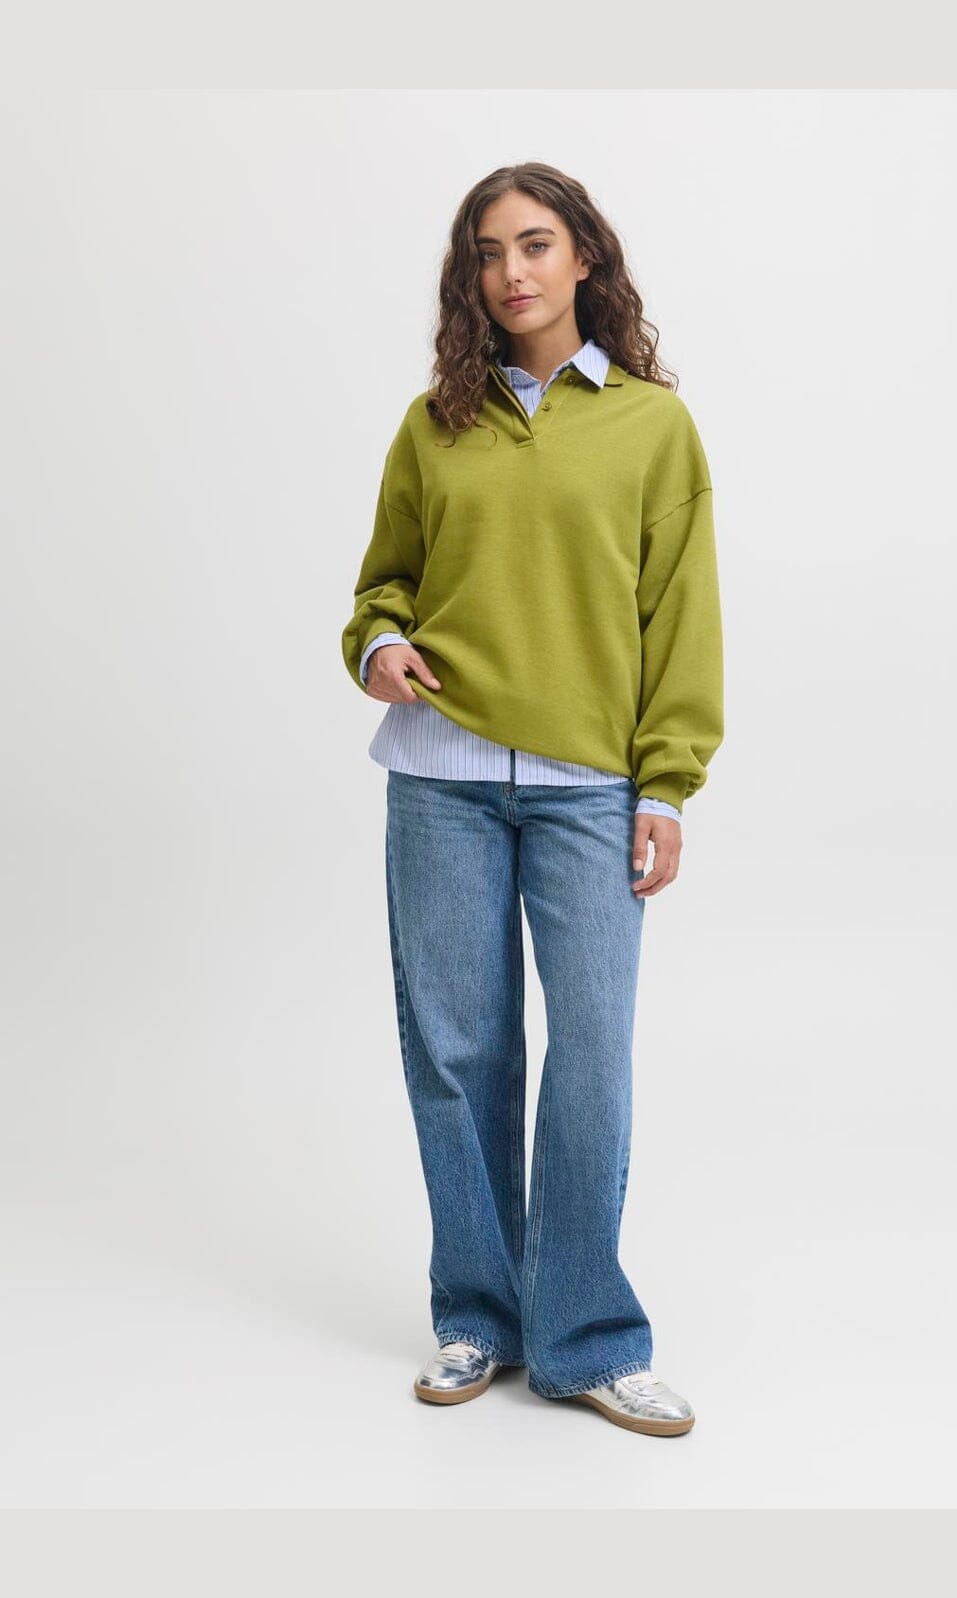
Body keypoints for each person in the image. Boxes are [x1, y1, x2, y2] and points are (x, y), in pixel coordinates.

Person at [341, 161, 724, 1438]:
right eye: (488, 252)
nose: (511, 271)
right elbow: (384, 584)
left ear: (583, 257)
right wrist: (378, 645)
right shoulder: (433, 424)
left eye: (536, 243)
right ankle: (479, 1316)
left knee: (591, 1059)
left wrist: (668, 782)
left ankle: (588, 1336)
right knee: (459, 1056)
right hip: (440, 776)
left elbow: (681, 617)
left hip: (589, 790)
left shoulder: (654, 426)